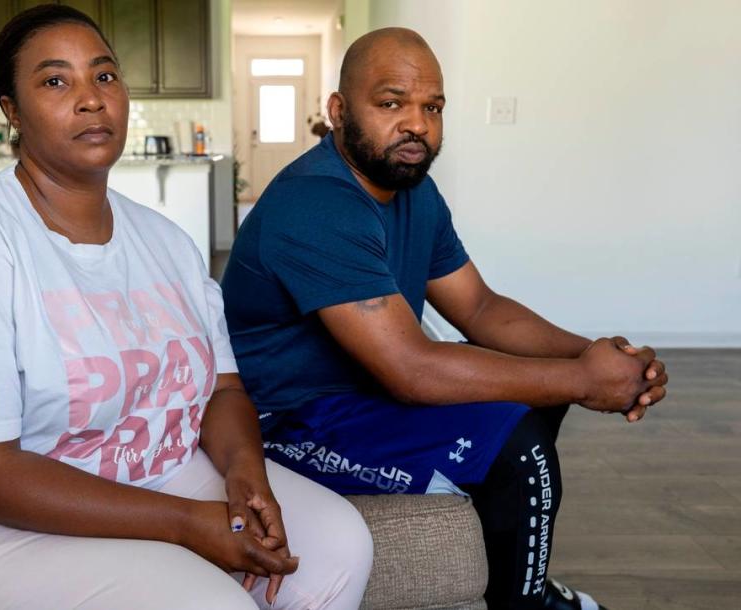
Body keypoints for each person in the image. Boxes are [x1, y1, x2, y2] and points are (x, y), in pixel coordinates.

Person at [0, 6, 372, 609]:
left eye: (105, 76)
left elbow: (222, 391)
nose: (90, 99)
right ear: (12, 110)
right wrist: (185, 522)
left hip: (156, 469)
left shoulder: (166, 241)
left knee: (340, 543)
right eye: (55, 81)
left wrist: (247, 473)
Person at [221, 27, 669, 610]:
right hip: (284, 422)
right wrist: (585, 381)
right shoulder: (316, 204)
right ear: (337, 111)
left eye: (432, 107)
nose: (417, 125)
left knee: (538, 387)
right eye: (391, 104)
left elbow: (481, 308)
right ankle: (527, 603)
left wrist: (597, 357)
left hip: (358, 397)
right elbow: (413, 369)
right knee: (522, 444)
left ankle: (518, 582)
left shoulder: (414, 191)